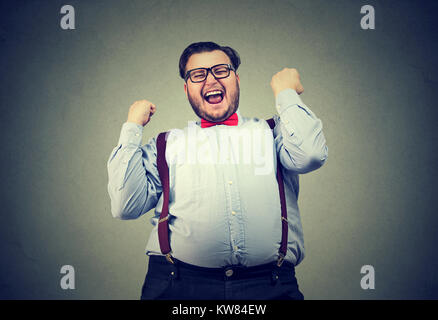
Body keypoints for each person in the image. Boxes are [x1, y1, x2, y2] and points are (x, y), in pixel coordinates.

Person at [107, 41, 328, 300]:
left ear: (236, 78)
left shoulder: (275, 133)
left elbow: (311, 155)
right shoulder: (164, 145)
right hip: (177, 286)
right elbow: (125, 206)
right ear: (187, 87)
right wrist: (132, 126)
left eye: (221, 70)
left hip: (269, 286)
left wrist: (286, 93)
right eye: (198, 75)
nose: (211, 79)